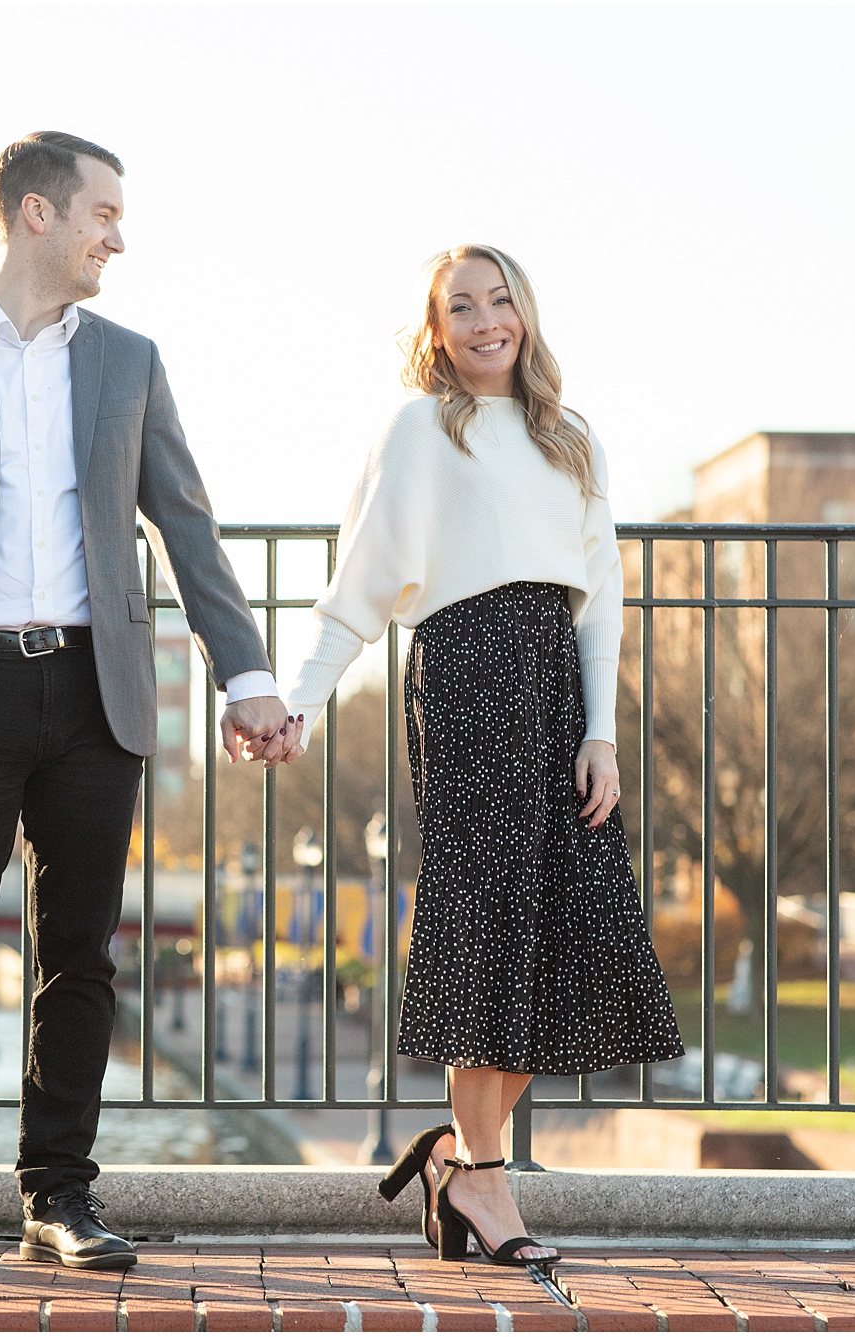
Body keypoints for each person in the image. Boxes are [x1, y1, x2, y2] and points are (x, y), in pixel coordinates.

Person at [0, 131, 296, 1273]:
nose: (116, 237)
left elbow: (186, 525)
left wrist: (247, 675)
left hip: (98, 689)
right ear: (36, 213)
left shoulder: (128, 361)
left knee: (78, 955)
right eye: (102, 213)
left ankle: (58, 1195)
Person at [272, 244, 684, 1269]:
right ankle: (485, 1180)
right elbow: (357, 585)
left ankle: (458, 1161)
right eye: (461, 305)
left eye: (499, 300)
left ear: (524, 313)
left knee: (562, 930)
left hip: (554, 682)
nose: (484, 319)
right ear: (435, 325)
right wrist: (297, 701)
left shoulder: (571, 437)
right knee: (488, 920)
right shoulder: (419, 428)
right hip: (463, 677)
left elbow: (601, 598)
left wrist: (600, 732)